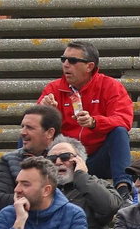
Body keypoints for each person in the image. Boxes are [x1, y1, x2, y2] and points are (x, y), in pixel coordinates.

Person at [38, 41, 134, 198]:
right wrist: (45, 111)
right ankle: (23, 184)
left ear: (89, 66)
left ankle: (123, 191)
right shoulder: (53, 89)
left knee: (119, 132)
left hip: (97, 157)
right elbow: (34, 122)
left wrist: (94, 122)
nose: (66, 64)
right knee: (32, 131)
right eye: (64, 60)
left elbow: (124, 119)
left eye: (72, 61)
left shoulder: (110, 86)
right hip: (62, 159)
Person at [47, 136, 123, 229]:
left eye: (65, 157)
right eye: (52, 159)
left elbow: (109, 207)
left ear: (79, 160)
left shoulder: (99, 185)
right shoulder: (43, 191)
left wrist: (81, 176)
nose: (58, 162)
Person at [0, 105, 61, 215]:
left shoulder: (66, 159)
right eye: (22, 126)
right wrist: (36, 200)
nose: (22, 132)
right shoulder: (9, 160)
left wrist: (25, 198)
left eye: (30, 128)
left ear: (49, 133)